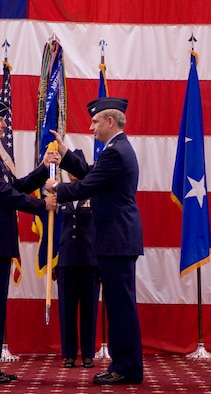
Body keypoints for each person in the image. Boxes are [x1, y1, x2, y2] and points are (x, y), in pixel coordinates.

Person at [45, 97, 144, 385]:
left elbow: (88, 185)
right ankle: (124, 364)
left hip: (117, 239)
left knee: (120, 305)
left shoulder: (115, 152)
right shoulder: (117, 149)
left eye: (95, 121)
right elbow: (92, 176)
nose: (91, 127)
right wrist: (66, 155)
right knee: (117, 304)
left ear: (109, 121)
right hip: (116, 239)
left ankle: (126, 368)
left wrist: (56, 187)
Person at [0, 97, 58, 384]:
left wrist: (43, 168)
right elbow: (2, 194)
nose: (4, 124)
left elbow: (15, 185)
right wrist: (43, 206)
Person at [54, 149, 100, 370]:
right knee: (67, 309)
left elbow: (100, 230)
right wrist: (54, 261)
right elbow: (53, 234)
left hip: (90, 261)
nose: (72, 173)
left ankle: (88, 354)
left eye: (76, 167)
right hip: (66, 261)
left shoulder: (94, 194)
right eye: (69, 169)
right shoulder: (60, 195)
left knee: (89, 309)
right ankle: (70, 354)